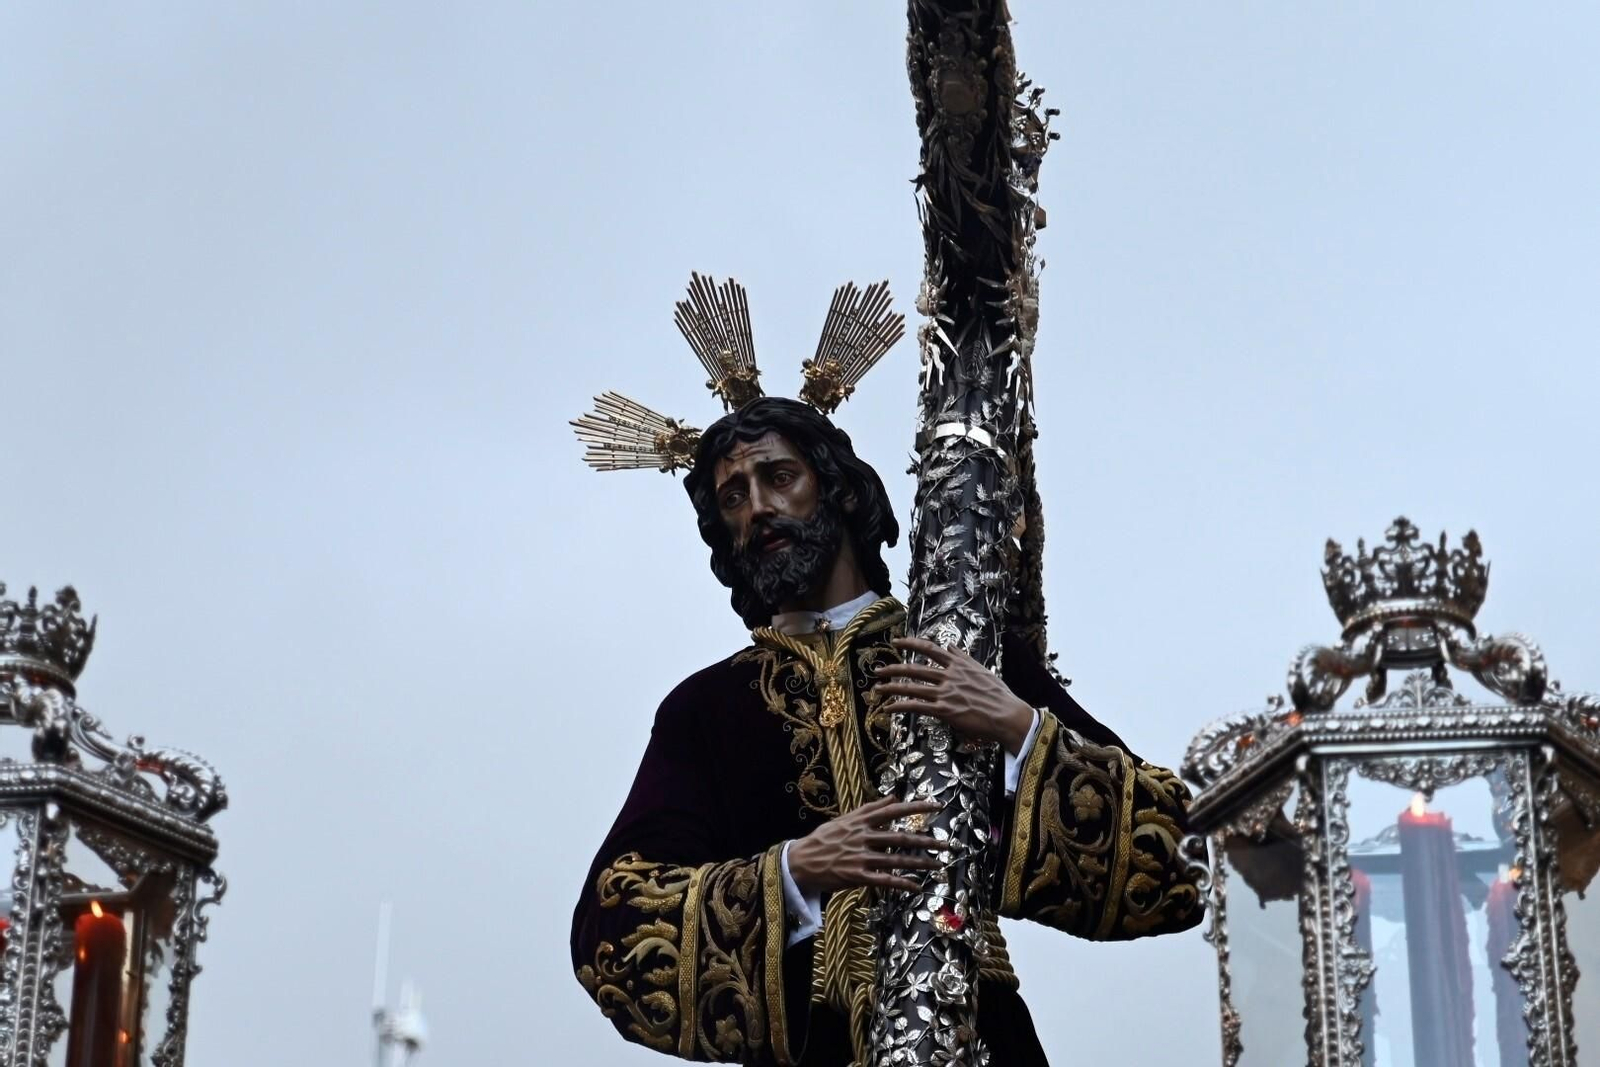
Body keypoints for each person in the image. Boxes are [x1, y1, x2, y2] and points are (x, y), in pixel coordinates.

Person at [570, 395, 1204, 1065]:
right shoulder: (707, 708)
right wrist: (793, 872)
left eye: (779, 477)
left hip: (977, 1034)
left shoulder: (969, 651)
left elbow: (1177, 857)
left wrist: (1016, 726)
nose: (757, 508)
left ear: (837, 487)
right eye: (734, 497)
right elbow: (612, 932)